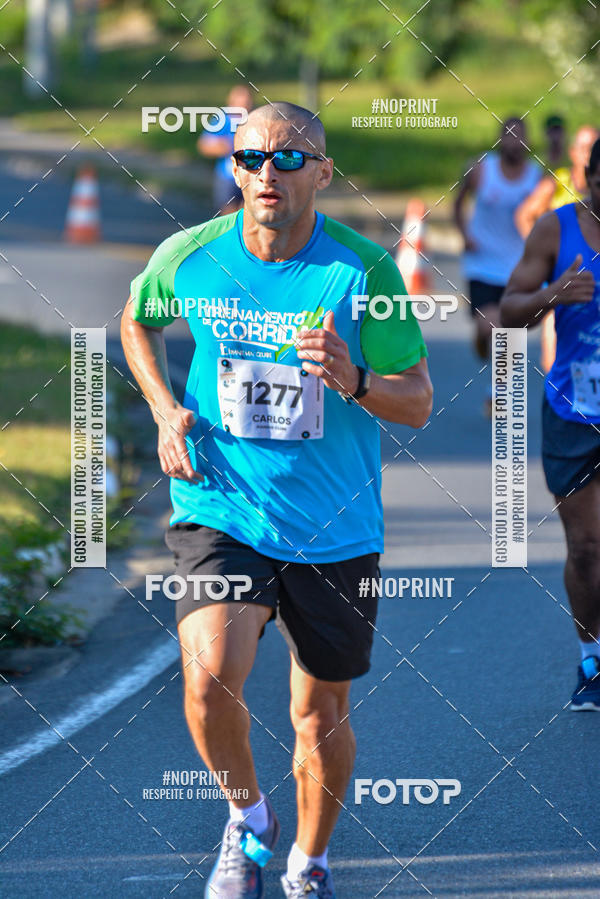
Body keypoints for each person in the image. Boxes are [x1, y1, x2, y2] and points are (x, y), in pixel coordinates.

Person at [121, 101, 432, 898]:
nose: (269, 174)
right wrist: (163, 408)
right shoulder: (189, 256)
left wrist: (354, 377)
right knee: (208, 676)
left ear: (323, 174)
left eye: (290, 160)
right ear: (235, 169)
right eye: (253, 158)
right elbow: (136, 320)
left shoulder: (366, 273)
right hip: (223, 504)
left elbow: (419, 400)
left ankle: (310, 859)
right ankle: (249, 820)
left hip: (333, 526)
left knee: (318, 717)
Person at [500, 138, 600, 712]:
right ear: (591, 179)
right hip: (573, 414)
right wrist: (553, 293)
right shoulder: (555, 231)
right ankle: (591, 659)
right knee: (587, 548)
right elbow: (510, 309)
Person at [454, 117, 542, 412]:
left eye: (520, 137)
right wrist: (465, 234)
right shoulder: (482, 169)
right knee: (491, 328)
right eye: (509, 136)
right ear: (500, 140)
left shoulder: (535, 177)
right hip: (481, 265)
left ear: (528, 142)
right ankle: (481, 339)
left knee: (505, 331)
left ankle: (497, 394)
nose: (514, 143)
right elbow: (457, 203)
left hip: (517, 267)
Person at [515, 125, 599, 373]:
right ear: (573, 152)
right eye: (584, 148)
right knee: (553, 354)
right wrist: (543, 253)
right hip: (562, 278)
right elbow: (524, 215)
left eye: (593, 147)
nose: (588, 153)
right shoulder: (558, 183)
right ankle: (560, 392)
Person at [198, 85, 254, 214]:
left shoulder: (254, 120)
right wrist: (224, 148)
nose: (244, 105)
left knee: (247, 215)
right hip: (228, 176)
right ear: (231, 102)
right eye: (240, 101)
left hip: (250, 174)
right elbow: (204, 145)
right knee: (228, 216)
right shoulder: (223, 120)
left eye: (247, 101)